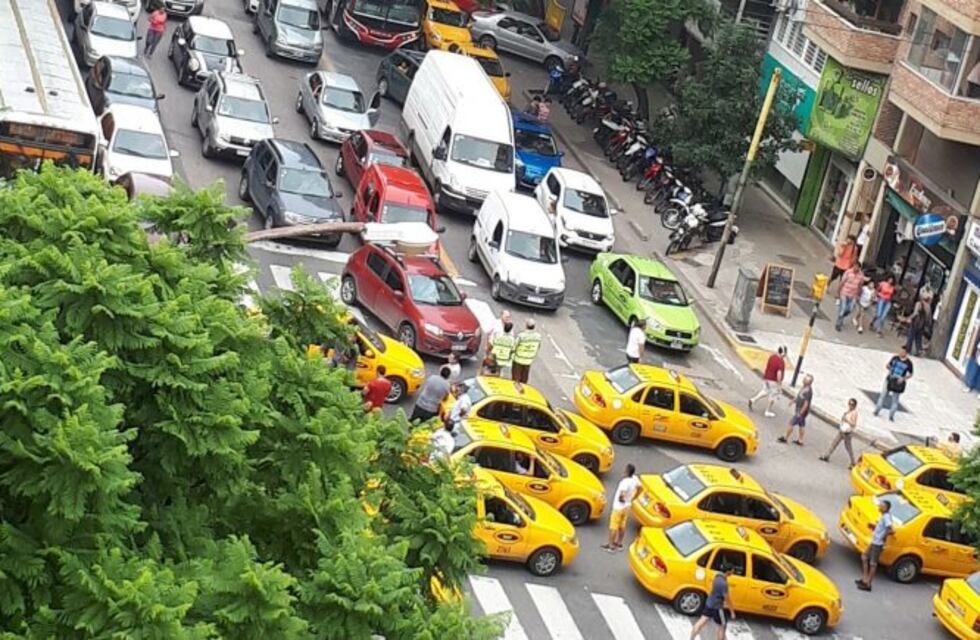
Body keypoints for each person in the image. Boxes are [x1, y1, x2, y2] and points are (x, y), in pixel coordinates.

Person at [690, 564, 736, 640]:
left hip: (709, 603)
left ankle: (691, 638)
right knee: (722, 626)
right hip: (717, 607)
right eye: (732, 570)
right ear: (728, 571)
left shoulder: (717, 577)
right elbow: (727, 599)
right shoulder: (724, 584)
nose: (733, 572)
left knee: (701, 621)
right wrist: (732, 612)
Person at [601, 464, 640, 552]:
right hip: (627, 506)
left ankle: (611, 545)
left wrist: (621, 498)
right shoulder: (635, 479)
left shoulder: (624, 482)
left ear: (627, 472)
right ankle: (619, 543)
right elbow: (640, 487)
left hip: (619, 507)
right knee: (622, 525)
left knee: (613, 526)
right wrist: (634, 497)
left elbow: (622, 494)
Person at [856, 499, 893, 591]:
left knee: (873, 563)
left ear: (885, 508)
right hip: (875, 541)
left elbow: (890, 530)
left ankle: (868, 584)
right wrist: (875, 528)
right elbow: (884, 528)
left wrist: (883, 537)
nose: (879, 507)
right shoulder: (884, 516)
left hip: (878, 543)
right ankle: (865, 579)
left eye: (881, 506)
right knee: (864, 556)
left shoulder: (886, 517)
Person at [874, 347, 913, 421]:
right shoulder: (895, 358)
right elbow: (888, 365)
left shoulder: (909, 363)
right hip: (890, 378)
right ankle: (877, 410)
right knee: (883, 395)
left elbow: (910, 374)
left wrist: (903, 378)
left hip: (898, 382)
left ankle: (891, 415)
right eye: (900, 351)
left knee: (895, 399)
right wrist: (889, 367)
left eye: (903, 352)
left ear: (906, 353)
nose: (900, 353)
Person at [748, 346, 786, 418]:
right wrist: (779, 385)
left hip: (766, 378)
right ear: (783, 353)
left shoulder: (772, 357)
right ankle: (767, 411)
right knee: (773, 396)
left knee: (765, 391)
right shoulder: (781, 361)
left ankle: (753, 400)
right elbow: (779, 374)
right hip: (773, 381)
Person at [820, 398, 858, 467]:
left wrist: (847, 420)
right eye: (849, 403)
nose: (850, 405)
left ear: (855, 405)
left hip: (847, 433)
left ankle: (853, 462)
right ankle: (826, 456)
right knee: (834, 443)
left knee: (848, 448)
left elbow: (853, 424)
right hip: (842, 430)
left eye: (852, 404)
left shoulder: (854, 413)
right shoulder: (848, 411)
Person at [778, 374, 813, 446]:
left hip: (800, 411)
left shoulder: (808, 392)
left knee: (791, 423)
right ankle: (800, 440)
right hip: (800, 410)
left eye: (805, 379)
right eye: (804, 378)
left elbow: (806, 404)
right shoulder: (804, 387)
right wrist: (793, 401)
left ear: (809, 382)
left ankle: (785, 437)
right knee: (801, 425)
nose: (803, 380)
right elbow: (799, 396)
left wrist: (800, 413)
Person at [835, 262, 864, 332]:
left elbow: (860, 286)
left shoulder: (861, 276)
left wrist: (858, 294)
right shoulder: (848, 272)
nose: (855, 268)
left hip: (853, 295)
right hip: (844, 293)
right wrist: (838, 291)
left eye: (857, 267)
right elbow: (842, 282)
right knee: (843, 308)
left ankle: (841, 316)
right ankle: (838, 323)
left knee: (850, 309)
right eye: (855, 266)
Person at [512, 318, 542, 383]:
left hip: (518, 359)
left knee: (516, 378)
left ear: (526, 326)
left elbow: (514, 347)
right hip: (528, 360)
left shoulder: (521, 336)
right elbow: (538, 346)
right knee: (524, 379)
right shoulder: (538, 336)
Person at [904, 291, 933, 356]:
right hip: (922, 324)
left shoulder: (918, 303)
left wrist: (909, 318)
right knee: (918, 337)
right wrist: (928, 324)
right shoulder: (928, 306)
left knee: (911, 335)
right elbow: (929, 317)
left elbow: (915, 313)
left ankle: (908, 349)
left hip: (916, 322)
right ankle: (919, 350)